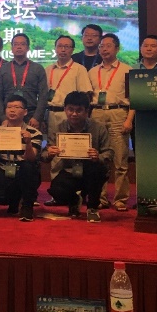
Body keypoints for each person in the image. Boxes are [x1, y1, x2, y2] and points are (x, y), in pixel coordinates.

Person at [42, 91, 113, 223]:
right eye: (70, 109)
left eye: (79, 110)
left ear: (87, 111)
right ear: (65, 109)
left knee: (97, 171)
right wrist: (49, 153)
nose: (74, 114)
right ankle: (74, 201)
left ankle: (92, 208)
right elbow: (44, 155)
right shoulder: (58, 128)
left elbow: (109, 152)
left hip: (91, 170)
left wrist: (98, 156)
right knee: (55, 190)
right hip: (69, 170)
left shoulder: (98, 128)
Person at [88, 33, 134, 211]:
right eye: (101, 46)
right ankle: (100, 198)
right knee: (99, 159)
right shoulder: (92, 72)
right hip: (97, 114)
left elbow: (134, 99)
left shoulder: (127, 70)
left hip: (118, 113)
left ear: (117, 48)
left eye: (108, 46)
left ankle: (120, 199)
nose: (104, 49)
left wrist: (129, 120)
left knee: (120, 160)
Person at [44, 35, 93, 188]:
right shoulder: (48, 69)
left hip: (72, 116)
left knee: (73, 151)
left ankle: (76, 189)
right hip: (51, 113)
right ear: (55, 48)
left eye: (67, 46)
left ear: (72, 50)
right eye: (60, 46)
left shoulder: (79, 69)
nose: (63, 49)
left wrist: (81, 116)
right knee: (54, 150)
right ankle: (56, 189)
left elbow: (85, 95)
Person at [0, 95, 43, 222]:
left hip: (25, 173)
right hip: (5, 171)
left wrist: (28, 143)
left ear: (25, 112)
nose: (12, 110)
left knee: (27, 166)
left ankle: (27, 206)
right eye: (9, 107)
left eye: (16, 107)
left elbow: (31, 158)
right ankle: (15, 201)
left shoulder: (34, 133)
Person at [0, 33, 48, 128]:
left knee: (32, 138)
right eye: (16, 44)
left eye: (22, 44)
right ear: (12, 48)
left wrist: (37, 117)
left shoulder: (38, 68)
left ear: (28, 48)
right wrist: (3, 118)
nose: (19, 47)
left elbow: (43, 95)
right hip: (8, 116)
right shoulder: (3, 69)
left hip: (31, 115)